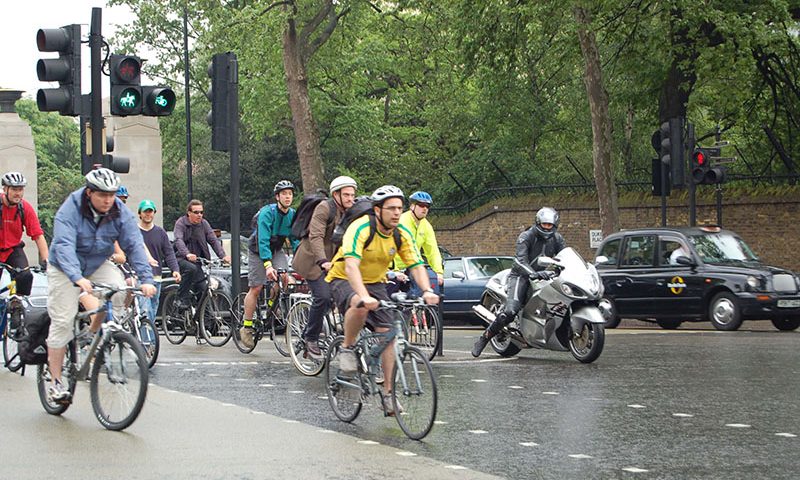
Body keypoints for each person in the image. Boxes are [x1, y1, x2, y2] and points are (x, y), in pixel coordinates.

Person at [326, 185, 439, 415]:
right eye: (391, 209)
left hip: (375, 282)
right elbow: (351, 265)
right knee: (358, 304)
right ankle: (347, 348)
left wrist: (427, 290)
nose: (397, 213)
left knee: (389, 335)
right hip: (343, 277)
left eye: (399, 208)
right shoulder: (361, 228)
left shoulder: (401, 234)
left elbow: (416, 265)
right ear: (377, 210)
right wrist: (364, 296)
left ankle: (388, 394)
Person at [46, 168, 156, 402]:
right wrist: (77, 278)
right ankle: (55, 382)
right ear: (89, 193)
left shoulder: (120, 212)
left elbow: (134, 245)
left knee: (117, 289)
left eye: (112, 194)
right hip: (65, 266)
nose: (108, 200)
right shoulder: (70, 209)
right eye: (102, 195)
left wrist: (146, 279)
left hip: (96, 261)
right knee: (63, 322)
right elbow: (64, 246)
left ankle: (92, 335)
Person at [472, 206, 566, 357]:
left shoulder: (558, 239)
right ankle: (485, 338)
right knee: (510, 311)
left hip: (543, 276)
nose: (547, 228)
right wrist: (534, 273)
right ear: (538, 223)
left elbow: (564, 258)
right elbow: (520, 261)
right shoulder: (526, 236)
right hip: (521, 276)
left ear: (555, 225)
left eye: (550, 225)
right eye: (544, 224)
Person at [291, 176, 357, 358]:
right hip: (313, 260)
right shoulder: (324, 208)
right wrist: (322, 261)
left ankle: (341, 335)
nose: (351, 198)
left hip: (335, 261)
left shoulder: (351, 212)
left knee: (348, 295)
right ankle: (310, 338)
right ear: (336, 194)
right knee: (323, 296)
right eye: (346, 195)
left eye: (353, 195)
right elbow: (316, 236)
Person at [239, 180, 300, 349]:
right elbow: (263, 240)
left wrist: (300, 255)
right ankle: (247, 326)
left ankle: (272, 308)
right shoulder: (268, 212)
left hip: (276, 249)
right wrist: (267, 265)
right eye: (284, 194)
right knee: (256, 288)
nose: (288, 197)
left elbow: (295, 239)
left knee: (284, 279)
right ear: (277, 197)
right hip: (258, 249)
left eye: (290, 194)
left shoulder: (292, 214)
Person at [173, 200, 231, 310]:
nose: (199, 215)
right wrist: (187, 253)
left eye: (201, 212)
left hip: (198, 262)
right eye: (196, 212)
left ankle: (207, 322)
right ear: (189, 213)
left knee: (203, 289)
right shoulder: (181, 223)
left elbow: (213, 240)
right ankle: (181, 298)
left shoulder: (204, 224)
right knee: (191, 269)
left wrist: (223, 256)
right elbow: (178, 240)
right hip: (181, 259)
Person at [0, 171, 48, 297]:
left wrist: (46, 260)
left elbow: (38, 235)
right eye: (15, 189)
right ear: (5, 189)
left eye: (21, 189)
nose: (18, 193)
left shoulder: (24, 208)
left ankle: (18, 303)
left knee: (25, 276)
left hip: (13, 250)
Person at [392, 191, 444, 297]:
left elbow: (433, 251)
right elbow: (390, 247)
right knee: (391, 300)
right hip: (395, 268)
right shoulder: (401, 221)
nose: (424, 208)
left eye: (427, 206)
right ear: (412, 206)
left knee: (424, 296)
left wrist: (439, 272)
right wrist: (395, 270)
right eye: (421, 205)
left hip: (413, 267)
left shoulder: (426, 226)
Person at [138, 199, 181, 322]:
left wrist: (175, 269)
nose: (148, 214)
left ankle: (147, 338)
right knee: (145, 310)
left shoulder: (160, 232)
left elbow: (169, 253)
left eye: (150, 211)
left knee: (152, 309)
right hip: (140, 278)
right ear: (140, 213)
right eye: (145, 211)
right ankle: (148, 340)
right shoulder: (134, 232)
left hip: (157, 277)